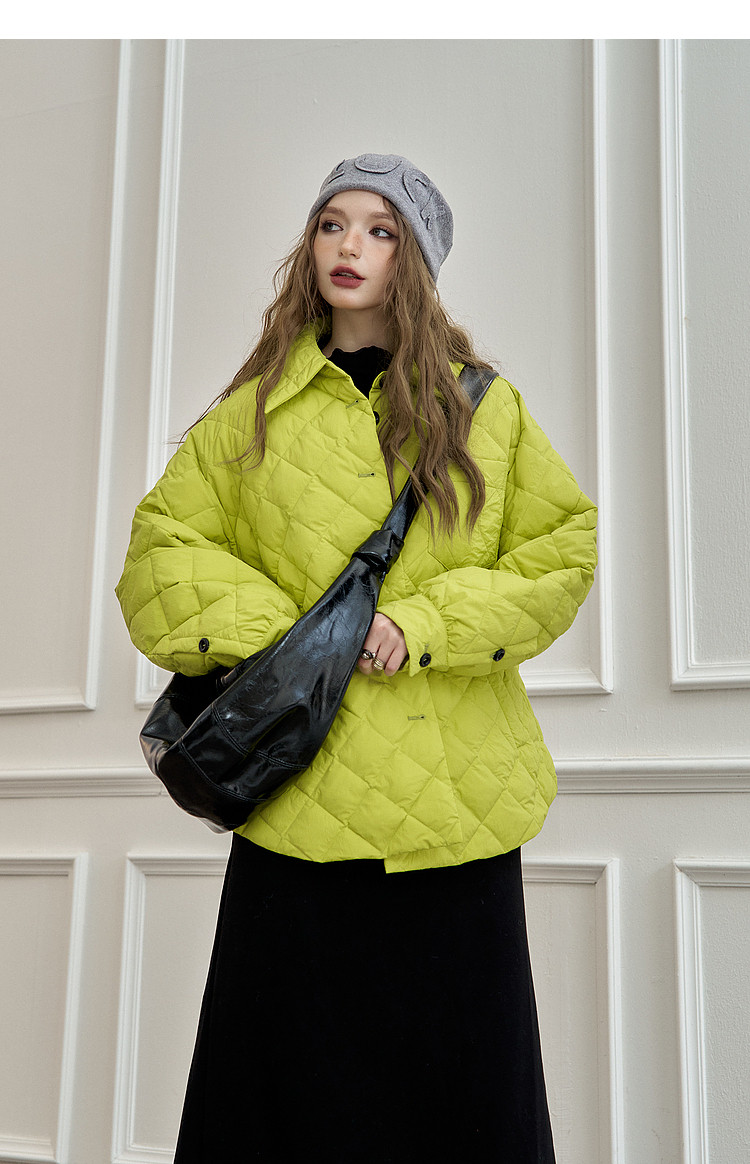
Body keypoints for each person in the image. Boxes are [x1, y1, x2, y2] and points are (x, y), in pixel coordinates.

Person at [116, 153, 597, 1162]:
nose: (350, 247)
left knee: (460, 1098)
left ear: (413, 259)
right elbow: (160, 550)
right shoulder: (254, 410)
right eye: (333, 225)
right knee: (284, 1092)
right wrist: (291, 635)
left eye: (381, 231)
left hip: (453, 802)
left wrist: (424, 624)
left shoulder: (484, 409)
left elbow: (562, 554)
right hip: (301, 794)